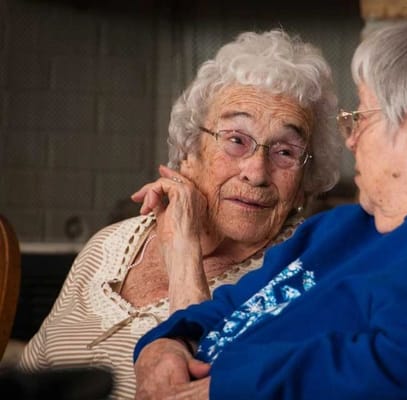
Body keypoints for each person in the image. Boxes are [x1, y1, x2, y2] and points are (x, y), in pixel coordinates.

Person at [133, 19, 407, 399]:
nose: (350, 140)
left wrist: (230, 388)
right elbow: (233, 305)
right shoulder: (349, 226)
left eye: (360, 118)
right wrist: (166, 344)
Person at [17, 29, 341, 399]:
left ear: (303, 182)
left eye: (285, 152)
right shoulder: (110, 244)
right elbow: (30, 376)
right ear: (189, 150)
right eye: (236, 140)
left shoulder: (301, 274)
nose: (256, 172)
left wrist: (185, 253)